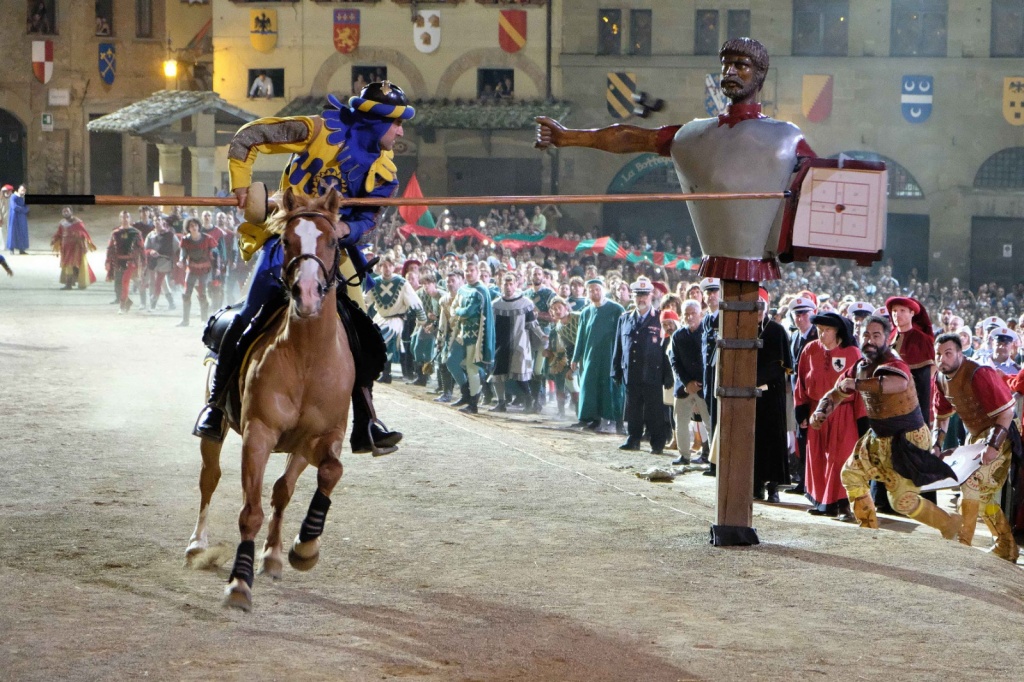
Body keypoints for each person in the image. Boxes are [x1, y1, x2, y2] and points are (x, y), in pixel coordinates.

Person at [194, 81, 415, 454]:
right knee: (250, 314)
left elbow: (369, 219)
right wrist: (241, 186)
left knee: (359, 329)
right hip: (288, 244)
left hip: (333, 253)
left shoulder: (386, 173)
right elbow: (251, 136)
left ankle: (366, 421)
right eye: (396, 124)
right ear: (378, 122)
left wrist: (347, 227)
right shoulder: (318, 130)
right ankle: (216, 407)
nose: (401, 131)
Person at [811, 315, 961, 538]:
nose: (869, 340)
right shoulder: (860, 366)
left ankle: (948, 524)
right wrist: (821, 411)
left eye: (876, 335)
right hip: (877, 436)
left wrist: (858, 385)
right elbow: (836, 392)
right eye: (866, 335)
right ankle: (868, 529)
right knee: (851, 474)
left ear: (886, 338)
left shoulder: (894, 362)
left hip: (907, 438)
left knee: (901, 501)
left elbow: (897, 383)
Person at [933, 333, 1020, 562]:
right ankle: (1006, 546)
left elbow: (1006, 412)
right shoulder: (940, 378)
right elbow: (941, 417)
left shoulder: (979, 372)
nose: (943, 359)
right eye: (939, 354)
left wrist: (992, 446)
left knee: (971, 486)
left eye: (948, 353)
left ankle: (963, 549)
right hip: (975, 439)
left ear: (961, 354)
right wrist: (936, 445)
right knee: (984, 497)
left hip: (1000, 436)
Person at [794, 311, 864, 519]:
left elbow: (860, 390)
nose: (821, 335)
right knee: (817, 457)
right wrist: (801, 410)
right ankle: (824, 502)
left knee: (840, 457)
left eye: (826, 331)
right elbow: (801, 383)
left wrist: (862, 419)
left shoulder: (853, 353)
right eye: (819, 330)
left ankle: (844, 504)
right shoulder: (810, 350)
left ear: (837, 332)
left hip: (843, 412)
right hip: (816, 411)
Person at [612, 276, 672, 454]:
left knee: (654, 410)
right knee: (633, 409)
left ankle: (657, 442)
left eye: (645, 294)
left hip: (653, 373)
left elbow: (666, 349)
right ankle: (634, 438)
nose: (642, 298)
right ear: (633, 296)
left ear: (651, 295)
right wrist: (615, 369)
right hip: (632, 372)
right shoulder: (625, 319)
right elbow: (619, 346)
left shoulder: (659, 318)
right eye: (638, 294)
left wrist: (668, 374)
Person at [753, 288, 794, 502]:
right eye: (754, 304)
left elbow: (782, 365)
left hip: (772, 395)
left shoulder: (777, 330)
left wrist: (757, 378)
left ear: (767, 305)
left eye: (761, 304)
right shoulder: (744, 328)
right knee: (755, 441)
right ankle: (756, 485)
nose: (758, 308)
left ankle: (774, 488)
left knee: (773, 442)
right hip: (751, 397)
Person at [572, 277, 625, 432]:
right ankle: (594, 419)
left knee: (611, 388)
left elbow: (622, 335)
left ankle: (617, 421)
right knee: (590, 386)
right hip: (590, 356)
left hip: (610, 355)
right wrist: (576, 357)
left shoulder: (616, 309)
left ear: (603, 290)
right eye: (591, 290)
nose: (594, 292)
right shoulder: (586, 312)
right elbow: (580, 336)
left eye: (597, 289)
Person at [446, 260, 496, 414]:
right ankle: (465, 393)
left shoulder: (480, 290)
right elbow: (453, 308)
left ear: (478, 272)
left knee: (472, 367)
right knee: (451, 361)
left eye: (471, 271)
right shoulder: (463, 289)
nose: (468, 273)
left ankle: (473, 402)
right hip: (461, 332)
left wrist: (460, 312)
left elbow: (467, 311)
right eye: (466, 271)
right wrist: (460, 311)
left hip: (476, 335)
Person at [490, 274, 545, 413]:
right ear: (501, 285)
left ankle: (530, 401)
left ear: (516, 285)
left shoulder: (525, 303)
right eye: (505, 284)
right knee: (498, 374)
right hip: (500, 344)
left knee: (521, 375)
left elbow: (532, 324)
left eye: (511, 284)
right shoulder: (496, 304)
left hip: (519, 343)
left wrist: (542, 335)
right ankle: (501, 402)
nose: (508, 287)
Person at [367, 256, 425, 383]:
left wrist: (422, 318)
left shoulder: (402, 282)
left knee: (384, 339)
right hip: (380, 318)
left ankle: (386, 373)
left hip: (395, 319)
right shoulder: (375, 282)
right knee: (374, 340)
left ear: (393, 267)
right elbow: (366, 300)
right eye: (384, 266)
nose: (387, 268)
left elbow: (414, 300)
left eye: (389, 266)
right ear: (380, 267)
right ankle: (384, 372)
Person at [669, 299, 711, 465]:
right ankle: (684, 455)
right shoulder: (678, 336)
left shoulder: (707, 333)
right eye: (686, 314)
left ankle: (712, 456)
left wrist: (699, 383)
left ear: (700, 314)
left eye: (693, 313)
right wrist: (687, 383)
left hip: (703, 386)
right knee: (681, 422)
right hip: (684, 387)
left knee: (708, 422)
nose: (690, 317)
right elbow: (675, 362)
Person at [786, 294, 818, 494]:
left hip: (811, 396)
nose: (800, 319)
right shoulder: (795, 336)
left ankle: (810, 483)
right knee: (800, 439)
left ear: (812, 314)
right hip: (797, 394)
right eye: (797, 315)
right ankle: (803, 481)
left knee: (809, 439)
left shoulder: (816, 336)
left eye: (804, 314)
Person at [177, 218, 219, 327]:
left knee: (202, 293)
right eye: (191, 226)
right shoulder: (185, 240)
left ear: (198, 226)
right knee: (186, 294)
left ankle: (204, 320)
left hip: (204, 269)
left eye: (195, 225)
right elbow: (183, 253)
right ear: (188, 228)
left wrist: (217, 267)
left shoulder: (208, 239)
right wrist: (181, 261)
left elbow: (215, 254)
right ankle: (185, 320)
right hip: (191, 269)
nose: (194, 227)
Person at [105, 210, 144, 313]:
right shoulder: (115, 233)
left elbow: (141, 249)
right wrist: (108, 261)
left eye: (127, 217)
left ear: (130, 219)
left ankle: (122, 306)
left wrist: (144, 263)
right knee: (118, 285)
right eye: (123, 217)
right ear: (120, 219)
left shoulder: (136, 233)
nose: (125, 219)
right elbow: (110, 248)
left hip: (131, 262)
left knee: (125, 282)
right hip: (118, 262)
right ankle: (128, 301)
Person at [50, 207, 97, 290]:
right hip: (65, 248)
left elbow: (84, 234)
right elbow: (59, 233)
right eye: (64, 211)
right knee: (68, 265)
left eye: (67, 211)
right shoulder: (62, 223)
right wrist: (55, 239)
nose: (65, 213)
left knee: (77, 265)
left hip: (76, 248)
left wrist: (84, 245)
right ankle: (69, 284)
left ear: (71, 212)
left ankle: (80, 283)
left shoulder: (78, 223)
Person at [144, 217, 179, 311]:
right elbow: (145, 249)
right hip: (153, 262)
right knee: (162, 282)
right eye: (155, 220)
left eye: (159, 220)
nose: (157, 222)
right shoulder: (151, 235)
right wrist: (151, 251)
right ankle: (171, 302)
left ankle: (153, 304)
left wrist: (178, 261)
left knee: (158, 282)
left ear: (162, 222)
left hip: (165, 261)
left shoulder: (170, 235)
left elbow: (178, 248)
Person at [7, 185, 29, 254]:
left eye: (24, 190)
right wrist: (22, 209)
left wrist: (23, 209)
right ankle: (11, 249)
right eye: (22, 190)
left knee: (22, 232)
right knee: (13, 232)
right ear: (18, 189)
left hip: (22, 218)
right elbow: (14, 207)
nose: (23, 191)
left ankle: (21, 249)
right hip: (14, 217)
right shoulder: (13, 197)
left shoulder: (24, 198)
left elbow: (27, 207)